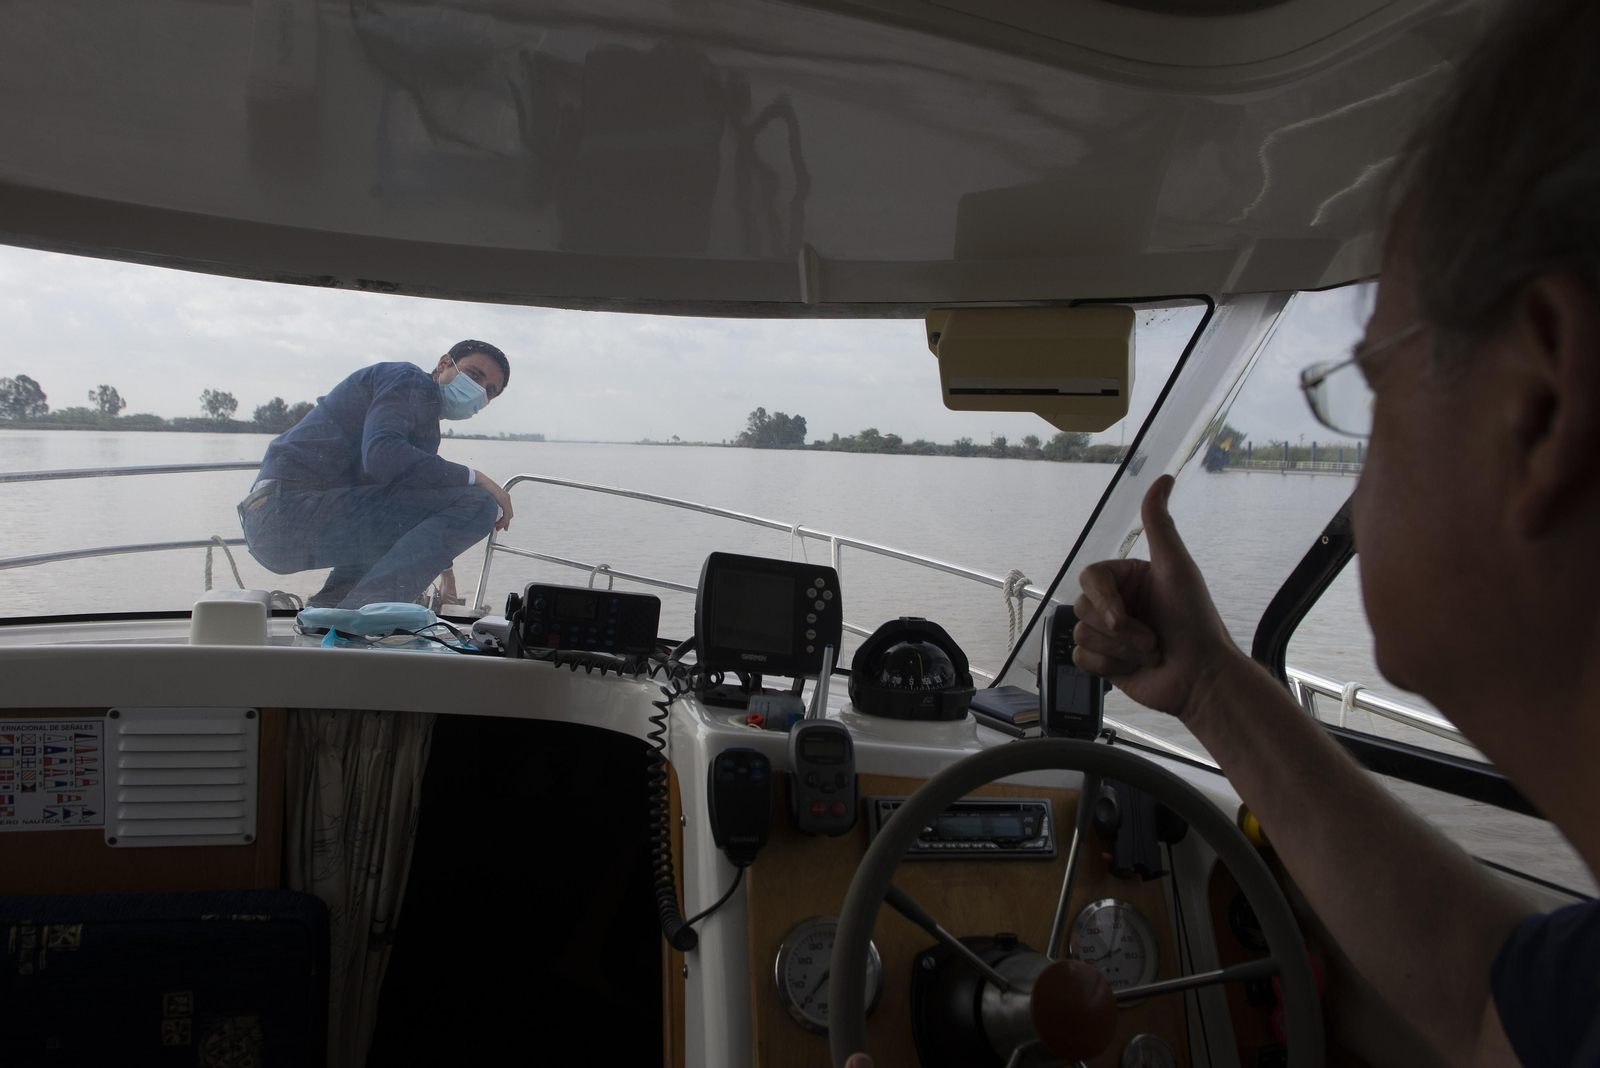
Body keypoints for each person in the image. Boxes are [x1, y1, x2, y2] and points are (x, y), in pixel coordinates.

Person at [239, 340, 518, 609]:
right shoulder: (412, 381)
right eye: (473, 375)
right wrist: (477, 477)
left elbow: (412, 501)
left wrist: (447, 576)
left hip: (279, 522)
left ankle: (330, 611)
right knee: (479, 503)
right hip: (286, 511)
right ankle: (361, 614)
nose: (478, 390)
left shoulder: (425, 424)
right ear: (444, 363)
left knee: (419, 509)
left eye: (489, 390)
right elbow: (382, 454)